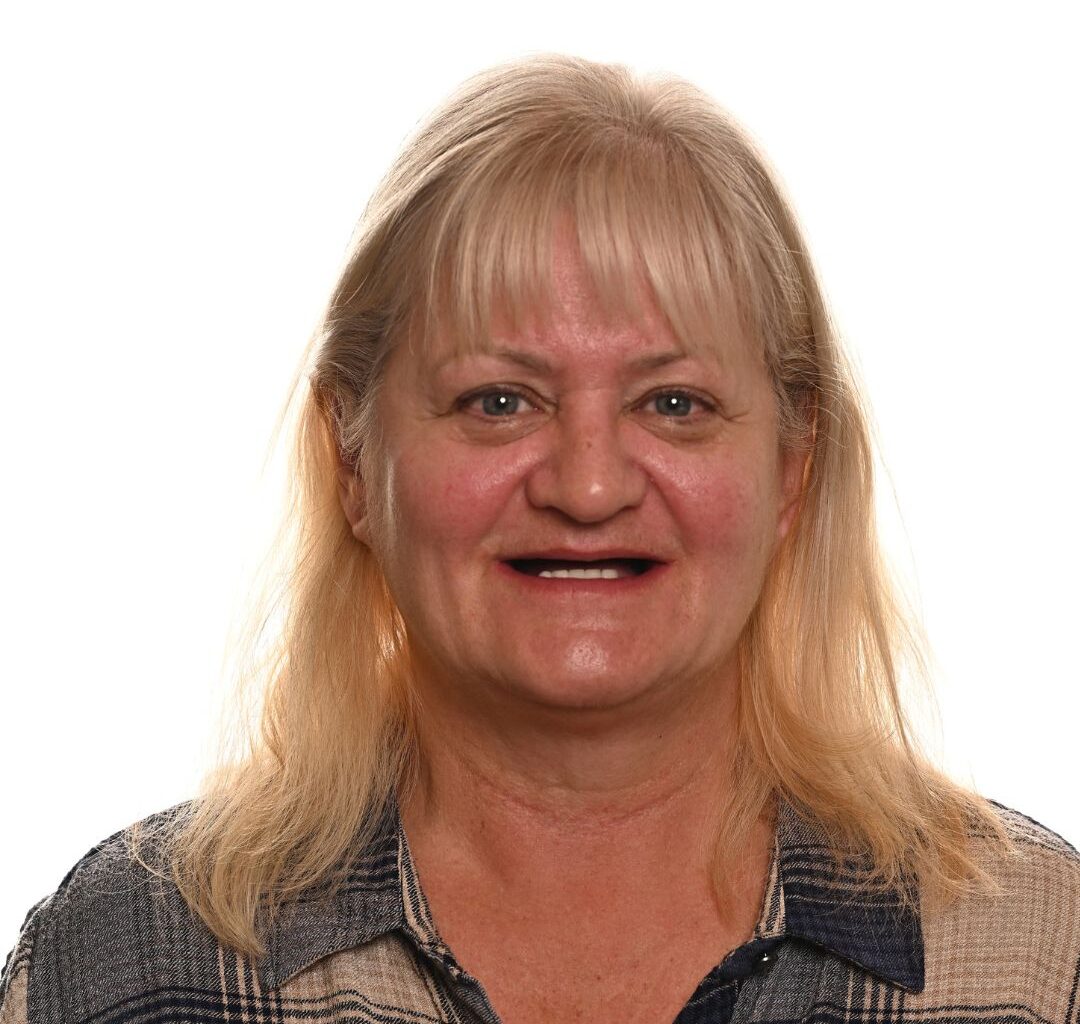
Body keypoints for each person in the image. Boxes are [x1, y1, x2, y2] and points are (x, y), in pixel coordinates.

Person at [2, 53, 1077, 1024]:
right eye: (499, 402)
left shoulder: (1035, 961)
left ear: (793, 465)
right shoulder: (129, 961)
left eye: (674, 404)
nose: (590, 484)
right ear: (351, 458)